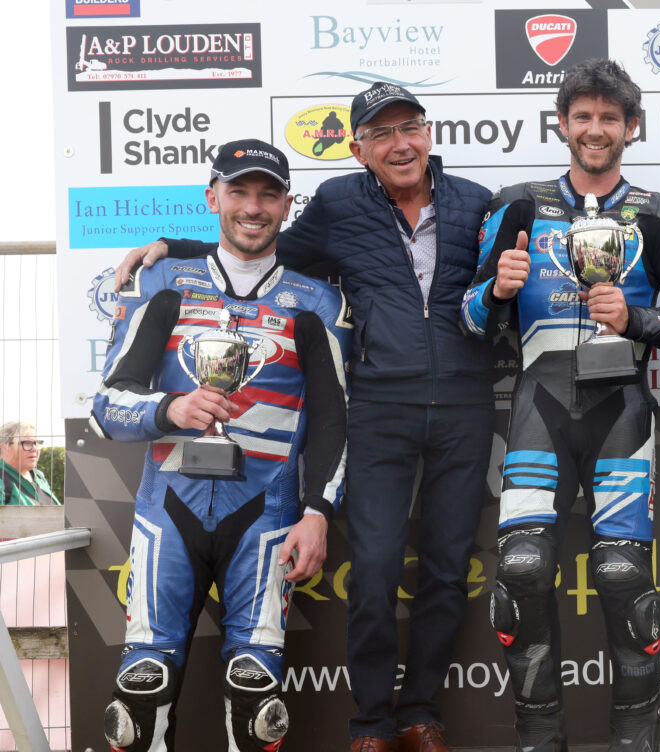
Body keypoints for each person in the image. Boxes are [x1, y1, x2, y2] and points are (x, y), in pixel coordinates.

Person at [112, 82, 494, 752]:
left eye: (409, 127)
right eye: (380, 134)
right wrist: (172, 249)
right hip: (379, 404)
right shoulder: (339, 203)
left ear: (429, 133)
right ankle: (372, 721)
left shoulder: (477, 203)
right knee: (373, 567)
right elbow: (257, 245)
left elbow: (502, 295)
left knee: (444, 568)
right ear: (358, 149)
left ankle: (420, 713)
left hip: (466, 403)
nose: (398, 143)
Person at [460, 59, 660, 752]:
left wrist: (637, 323)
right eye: (583, 117)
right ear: (562, 124)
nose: (595, 129)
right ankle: (538, 737)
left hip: (622, 411)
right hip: (538, 408)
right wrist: (499, 293)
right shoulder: (516, 206)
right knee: (520, 569)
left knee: (623, 574)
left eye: (610, 118)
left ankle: (636, 738)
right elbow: (470, 321)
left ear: (631, 127)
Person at [93, 139, 349, 752]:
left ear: (289, 205)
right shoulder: (164, 282)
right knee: (139, 695)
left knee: (255, 698)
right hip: (167, 514)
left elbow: (337, 423)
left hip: (267, 519)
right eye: (238, 191)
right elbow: (108, 405)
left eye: (268, 194)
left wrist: (318, 514)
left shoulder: (317, 302)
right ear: (213, 198)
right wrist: (171, 408)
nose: (253, 207)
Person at [0, 421, 60, 505]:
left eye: (36, 443)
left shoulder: (39, 476)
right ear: (4, 447)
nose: (34, 449)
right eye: (27, 443)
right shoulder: (2, 480)